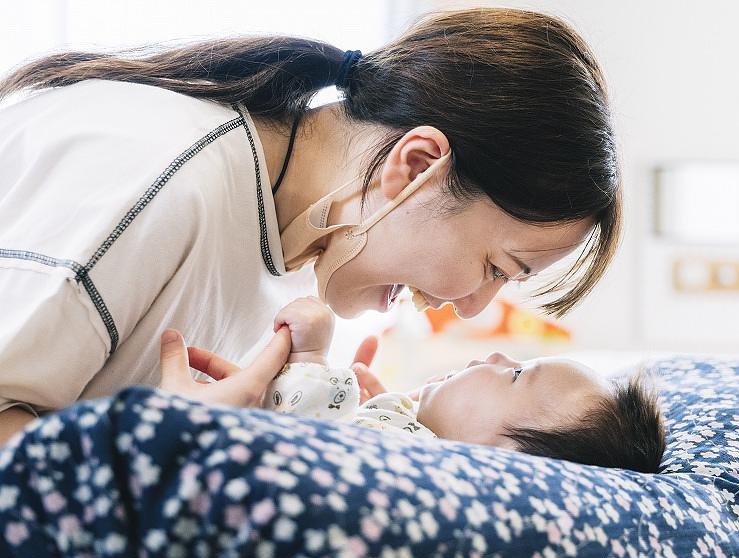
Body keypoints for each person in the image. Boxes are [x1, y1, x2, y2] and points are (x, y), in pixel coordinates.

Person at [0, 8, 621, 444]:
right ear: (416, 167)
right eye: (494, 268)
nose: (468, 310)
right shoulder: (160, 176)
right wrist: (157, 454)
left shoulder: (305, 256)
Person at [227, 298, 665, 472]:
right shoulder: (415, 436)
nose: (494, 356)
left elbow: (309, 448)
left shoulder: (413, 463)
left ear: (503, 458)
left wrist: (310, 356)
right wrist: (381, 408)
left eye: (515, 374)